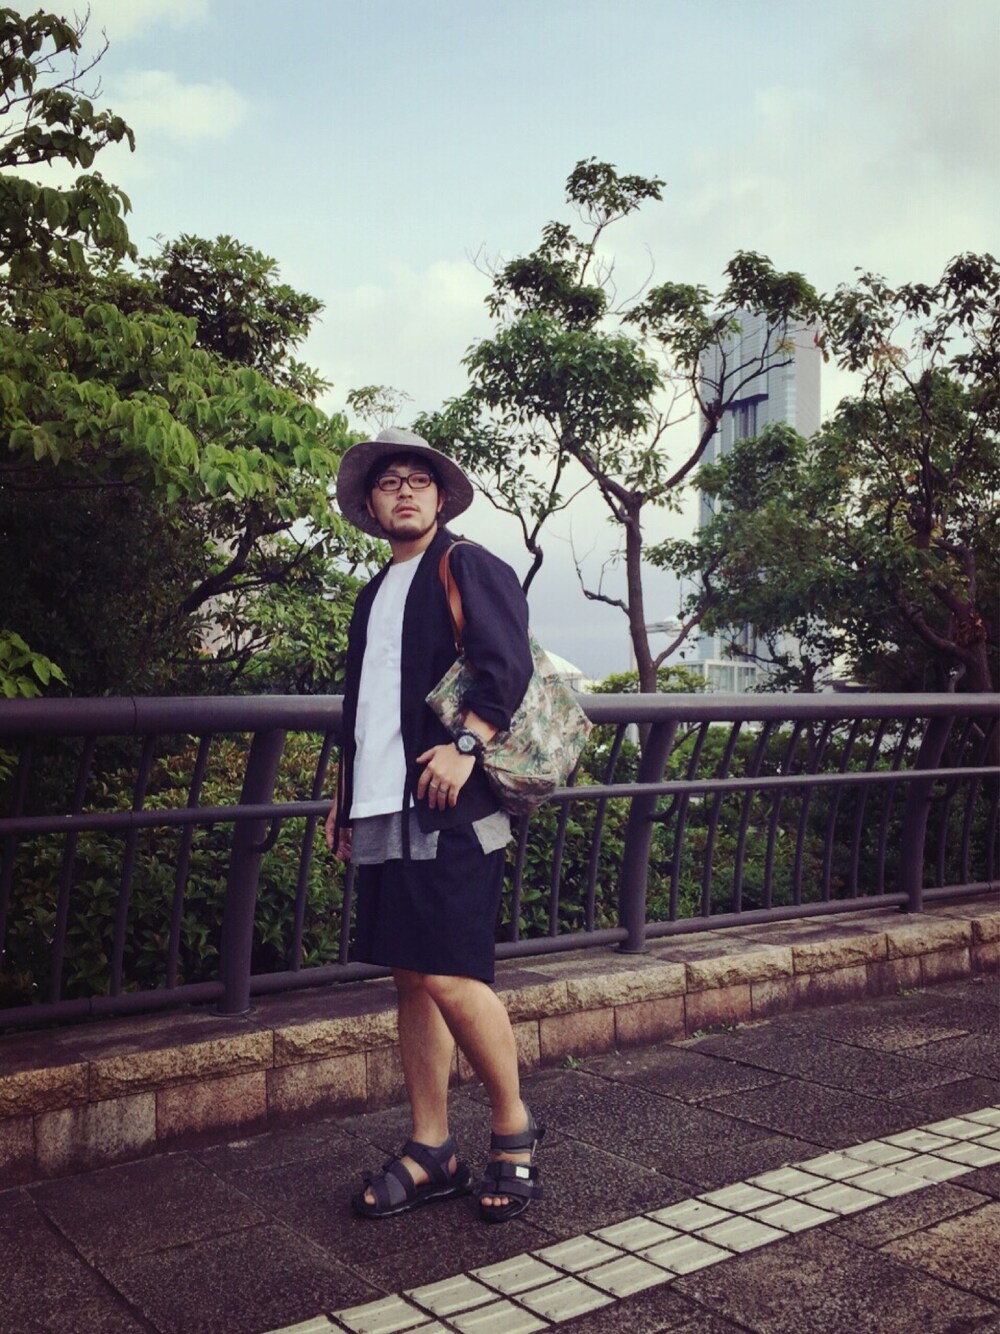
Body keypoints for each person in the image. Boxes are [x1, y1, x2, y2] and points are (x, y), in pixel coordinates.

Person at [325, 427, 544, 1223]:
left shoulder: (466, 564)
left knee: (452, 972)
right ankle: (432, 1149)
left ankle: (514, 1130)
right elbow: (364, 709)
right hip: (387, 801)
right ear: (372, 504)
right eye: (390, 483)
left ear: (442, 497)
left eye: (419, 481)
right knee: (412, 977)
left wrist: (466, 746)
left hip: (457, 802)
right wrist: (344, 796)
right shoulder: (372, 594)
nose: (406, 493)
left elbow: (507, 664)